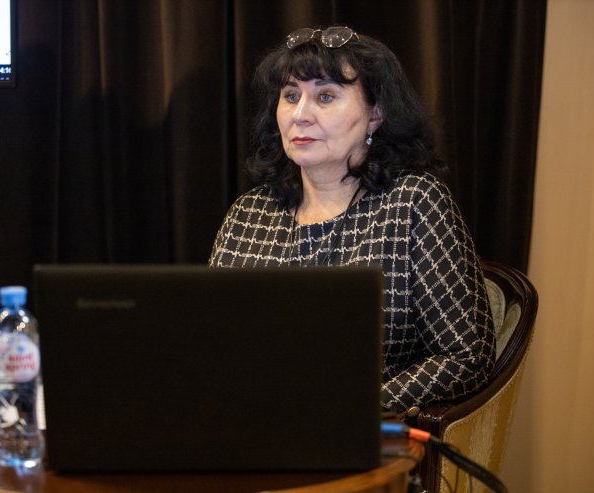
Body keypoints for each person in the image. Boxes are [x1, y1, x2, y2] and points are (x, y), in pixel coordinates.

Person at [209, 26, 495, 414]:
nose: (300, 115)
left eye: (325, 97)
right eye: (290, 96)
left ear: (375, 114)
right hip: (249, 425)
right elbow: (212, 346)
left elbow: (467, 357)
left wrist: (351, 409)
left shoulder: (414, 202)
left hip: (364, 431)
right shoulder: (248, 213)